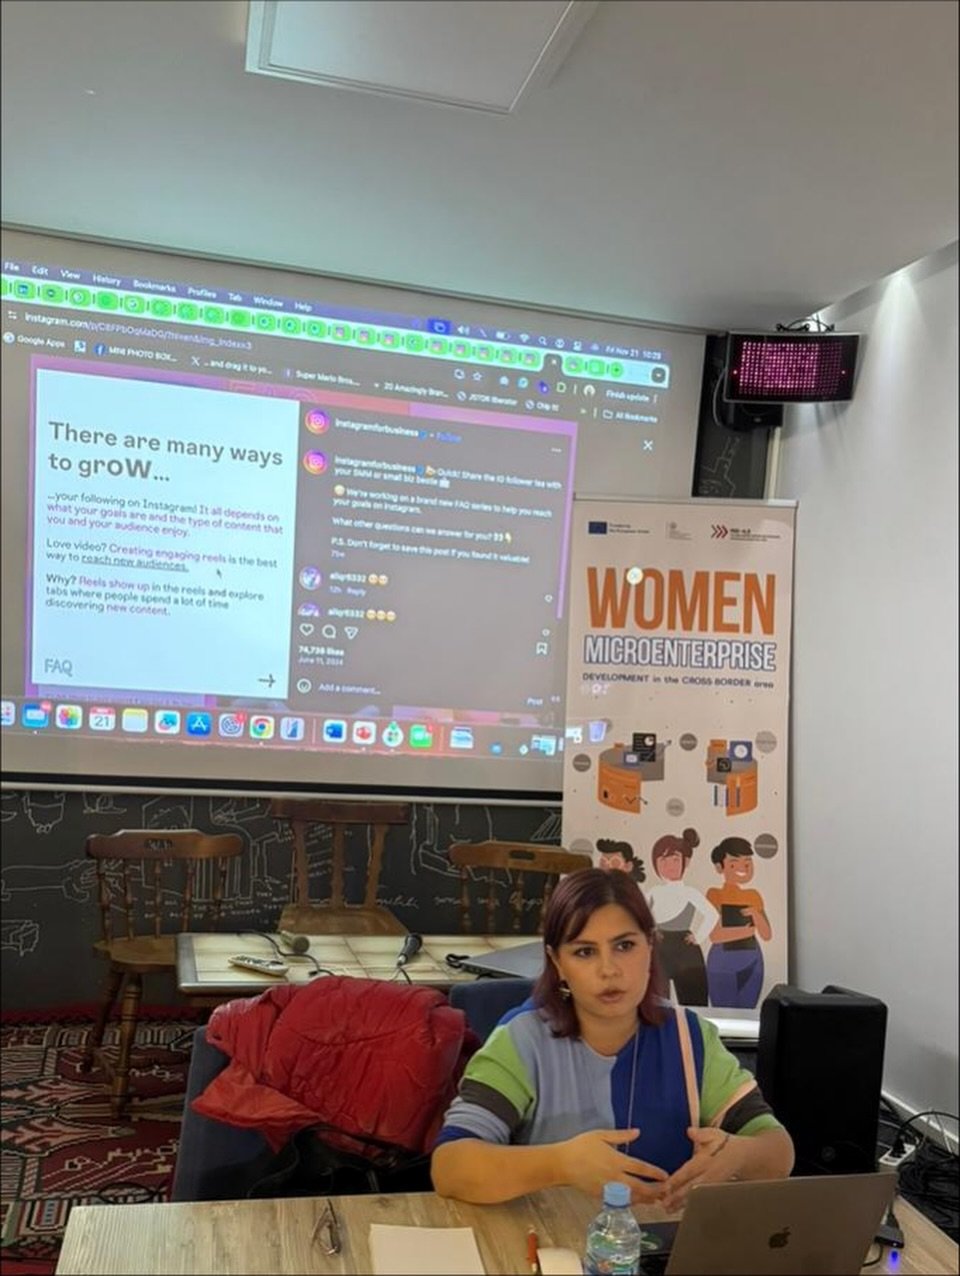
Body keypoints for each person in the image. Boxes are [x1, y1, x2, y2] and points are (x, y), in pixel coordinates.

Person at [431, 868, 793, 1206]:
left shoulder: (691, 1037)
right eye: (584, 952)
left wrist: (736, 1155)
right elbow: (449, 1167)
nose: (608, 969)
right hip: (551, 1243)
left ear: (650, 945)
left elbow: (778, 1150)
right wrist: (559, 1164)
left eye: (625, 946)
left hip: (663, 1238)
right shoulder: (522, 1039)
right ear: (557, 963)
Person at [646, 828, 717, 1007]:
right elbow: (641, 915)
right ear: (655, 863)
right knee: (655, 1002)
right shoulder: (654, 892)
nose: (669, 865)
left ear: (686, 862)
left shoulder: (690, 893)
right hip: (660, 946)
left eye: (675, 860)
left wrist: (698, 937)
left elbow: (712, 914)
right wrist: (652, 932)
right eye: (663, 860)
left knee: (693, 1001)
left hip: (685, 949)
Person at [705, 837, 771, 1009]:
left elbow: (766, 934)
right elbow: (715, 935)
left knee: (748, 1013)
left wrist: (755, 914)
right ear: (720, 867)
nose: (743, 868)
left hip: (752, 962)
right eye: (734, 864)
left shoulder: (753, 895)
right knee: (722, 1014)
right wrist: (746, 931)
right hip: (722, 964)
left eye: (747, 862)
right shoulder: (714, 894)